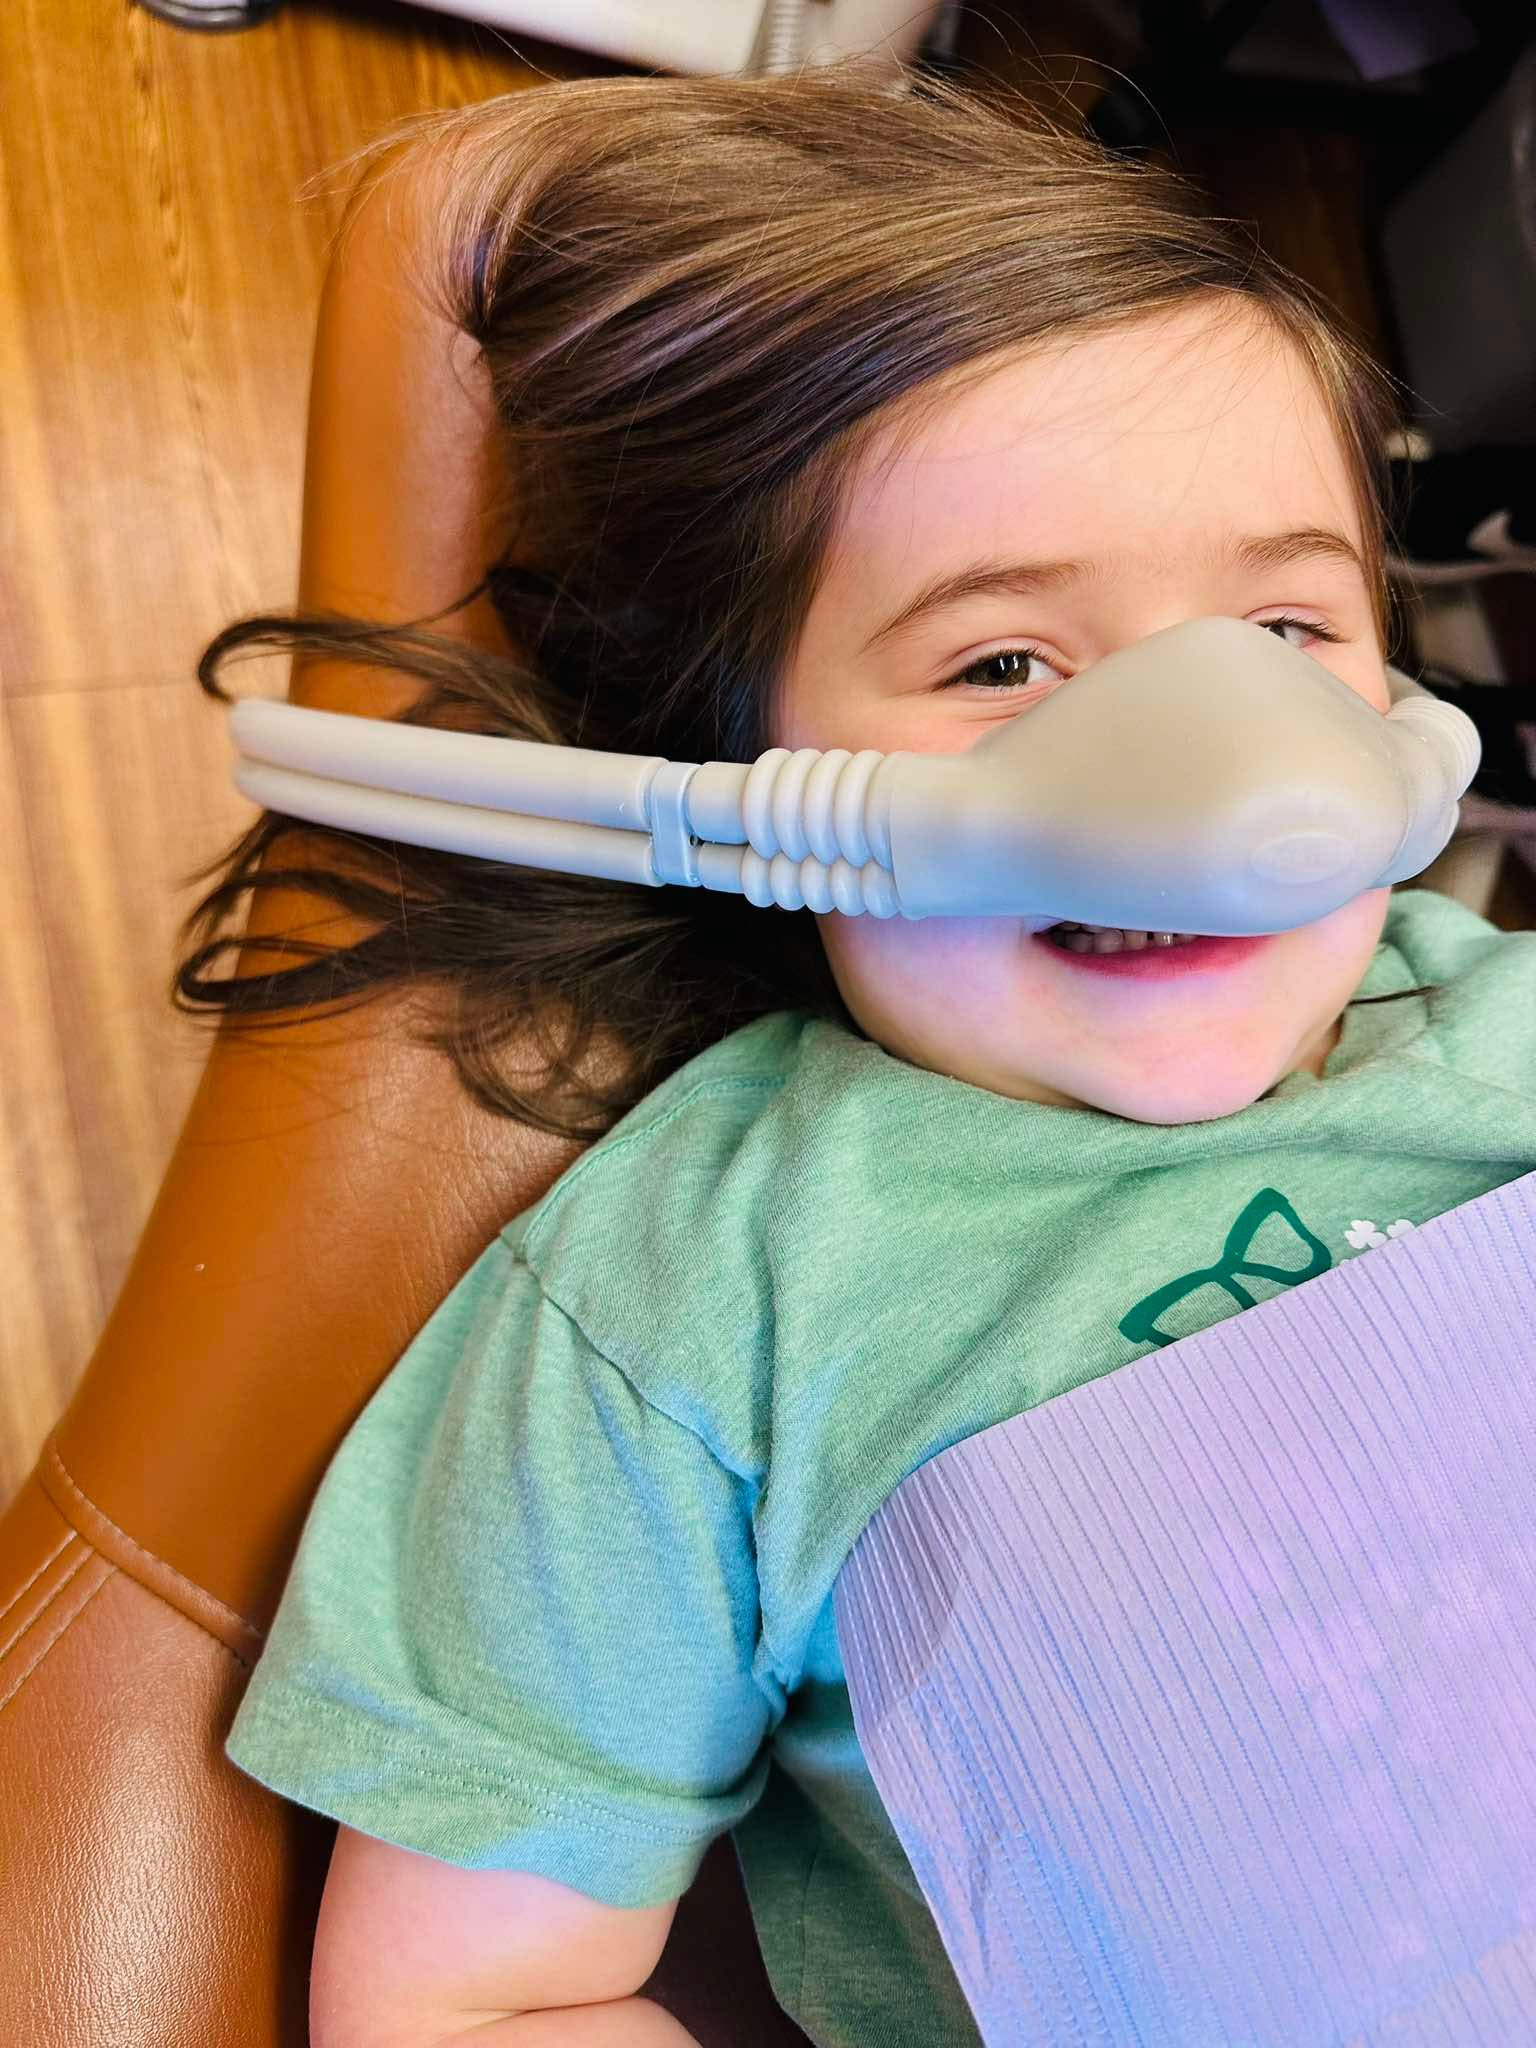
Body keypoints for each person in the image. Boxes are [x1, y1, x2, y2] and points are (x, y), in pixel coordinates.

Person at [173, 62, 1536, 2047]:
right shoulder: (693, 1305)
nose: (1223, 769)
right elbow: (470, 2004)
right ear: (745, 782)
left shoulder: (1496, 1024)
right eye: (1004, 663)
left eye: (1286, 628)